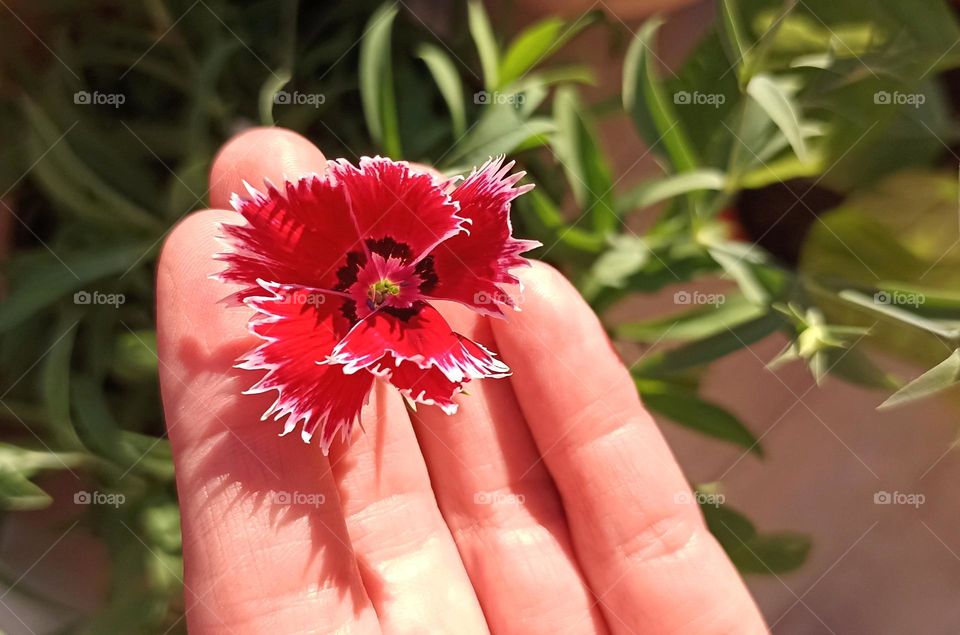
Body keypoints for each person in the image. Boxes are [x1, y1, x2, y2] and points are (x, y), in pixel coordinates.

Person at [156, 127, 767, 634]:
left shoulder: (424, 293)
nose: (385, 287)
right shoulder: (357, 273)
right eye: (381, 285)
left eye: (391, 285)